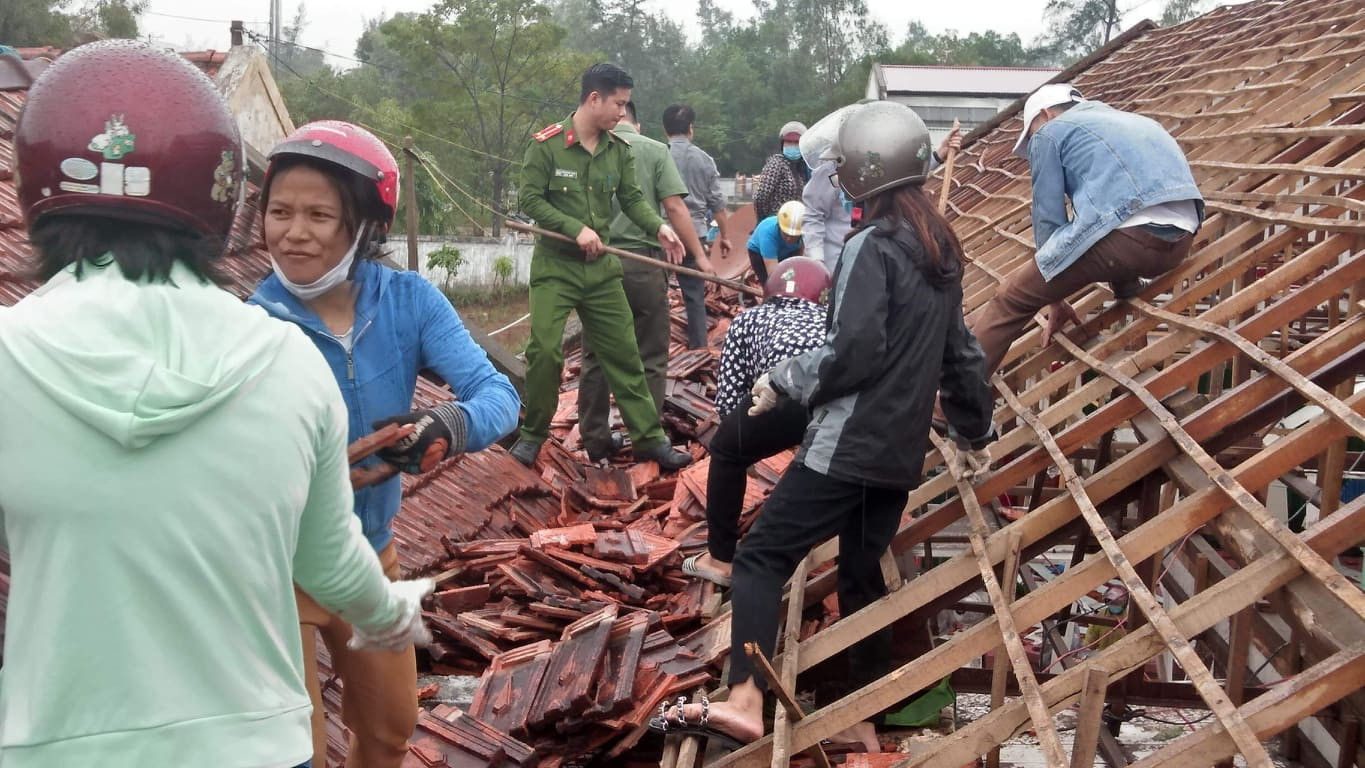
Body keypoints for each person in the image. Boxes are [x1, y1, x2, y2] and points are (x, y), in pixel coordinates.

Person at [0, 40, 432, 768]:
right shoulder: (289, 364)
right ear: (224, 196)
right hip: (255, 747)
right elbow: (329, 563)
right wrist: (393, 615)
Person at [650, 101, 995, 752]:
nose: (835, 181)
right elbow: (962, 355)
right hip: (897, 453)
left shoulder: (872, 246)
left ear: (864, 171)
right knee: (862, 572)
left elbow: (851, 353)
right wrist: (974, 430)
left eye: (840, 170)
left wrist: (782, 379)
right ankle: (868, 712)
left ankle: (745, 698)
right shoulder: (938, 247)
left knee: (758, 559)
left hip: (849, 443)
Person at [249, 119, 520, 768]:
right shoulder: (248, 326)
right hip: (278, 572)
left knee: (391, 730)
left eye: (319, 215)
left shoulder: (408, 301)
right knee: (299, 751)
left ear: (364, 228)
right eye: (279, 212)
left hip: (371, 556)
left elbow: (498, 395)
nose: (294, 232)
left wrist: (445, 428)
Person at [513, 62, 693, 471]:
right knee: (544, 351)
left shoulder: (618, 149)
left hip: (601, 271)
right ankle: (532, 436)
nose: (622, 114)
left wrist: (659, 228)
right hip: (556, 269)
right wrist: (573, 228)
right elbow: (530, 199)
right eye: (618, 104)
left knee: (625, 356)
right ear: (594, 98)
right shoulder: (547, 145)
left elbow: (631, 199)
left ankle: (649, 440)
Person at [970, 83, 1204, 373]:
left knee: (1011, 298)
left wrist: (1053, 297)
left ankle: (946, 408)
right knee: (1103, 229)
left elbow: (1049, 218)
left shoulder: (1050, 132)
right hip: (1178, 243)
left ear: (1045, 114)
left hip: (1129, 242)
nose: (1033, 146)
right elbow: (1132, 199)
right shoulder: (1137, 121)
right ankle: (1127, 286)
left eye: (1030, 137)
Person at [680, 257, 831, 588]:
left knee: (726, 450)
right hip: (833, 399)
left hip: (783, 392)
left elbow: (730, 399)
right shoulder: (831, 318)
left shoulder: (751, 318)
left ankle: (720, 558)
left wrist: (740, 445)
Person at [577, 101, 707, 463]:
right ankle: (646, 442)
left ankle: (596, 440)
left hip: (597, 263)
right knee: (650, 353)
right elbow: (677, 208)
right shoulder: (653, 150)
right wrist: (700, 255)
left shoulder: (586, 149)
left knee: (596, 355)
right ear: (637, 121)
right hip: (643, 265)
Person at [801, 103, 964, 272]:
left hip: (871, 255)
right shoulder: (831, 166)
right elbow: (813, 214)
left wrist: (938, 155)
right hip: (836, 261)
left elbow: (899, 173)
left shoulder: (873, 159)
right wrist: (817, 261)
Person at [664, 103, 727, 349]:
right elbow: (718, 204)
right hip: (695, 237)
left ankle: (656, 349)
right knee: (694, 297)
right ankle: (698, 349)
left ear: (665, 129)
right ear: (691, 129)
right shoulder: (705, 160)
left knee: (656, 297)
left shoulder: (658, 155)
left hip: (662, 235)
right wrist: (725, 236)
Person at [753, 120, 811, 222]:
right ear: (782, 144)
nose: (792, 145)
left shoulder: (803, 168)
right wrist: (765, 220)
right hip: (776, 221)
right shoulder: (776, 163)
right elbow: (761, 196)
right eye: (788, 142)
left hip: (796, 223)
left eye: (797, 142)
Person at [747, 200, 806, 283]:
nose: (789, 239)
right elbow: (773, 275)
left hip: (788, 251)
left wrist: (793, 276)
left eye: (793, 236)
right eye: (786, 234)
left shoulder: (804, 234)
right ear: (779, 226)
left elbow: (798, 261)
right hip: (758, 253)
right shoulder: (768, 234)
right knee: (771, 284)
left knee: (793, 279)